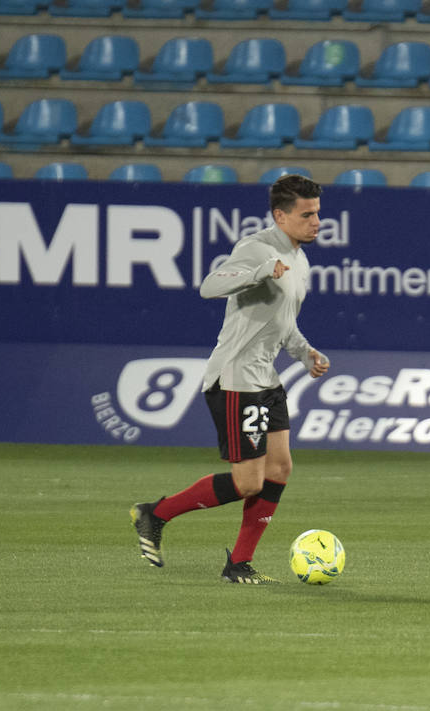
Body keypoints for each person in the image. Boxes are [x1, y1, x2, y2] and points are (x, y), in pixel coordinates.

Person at [131, 174, 331, 583]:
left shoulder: (299, 259)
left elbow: (283, 324)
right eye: (307, 214)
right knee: (248, 481)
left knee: (280, 469)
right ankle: (156, 514)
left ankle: (238, 564)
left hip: (266, 378)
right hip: (236, 379)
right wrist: (258, 271)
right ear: (280, 215)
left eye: (317, 214)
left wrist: (305, 353)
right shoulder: (257, 248)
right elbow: (209, 286)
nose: (316, 222)